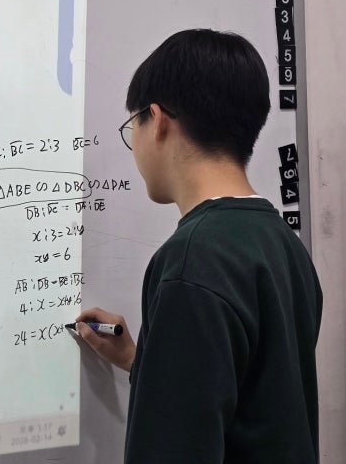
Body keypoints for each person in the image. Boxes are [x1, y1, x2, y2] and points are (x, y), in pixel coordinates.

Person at [74, 29, 323, 463]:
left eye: (132, 126)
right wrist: (143, 361)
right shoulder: (284, 244)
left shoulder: (192, 262)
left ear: (158, 120)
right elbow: (252, 400)